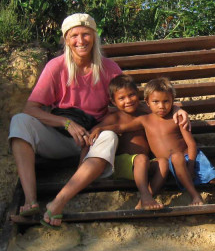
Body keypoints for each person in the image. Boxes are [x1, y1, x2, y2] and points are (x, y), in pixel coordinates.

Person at [8, 14, 189, 229]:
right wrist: (65, 123)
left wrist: (176, 108)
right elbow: (31, 108)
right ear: (67, 39)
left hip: (93, 138)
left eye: (86, 34)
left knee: (110, 136)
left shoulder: (109, 68)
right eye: (74, 35)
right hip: (60, 136)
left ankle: (59, 202)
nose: (81, 40)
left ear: (94, 37)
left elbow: (131, 100)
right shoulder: (55, 67)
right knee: (20, 121)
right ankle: (30, 201)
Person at [91, 77, 215, 206]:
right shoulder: (145, 119)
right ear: (147, 103)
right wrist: (100, 129)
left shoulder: (176, 118)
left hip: (190, 157)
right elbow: (122, 127)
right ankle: (190, 195)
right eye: (156, 102)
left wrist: (191, 164)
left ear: (172, 101)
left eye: (166, 102)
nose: (161, 106)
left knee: (214, 176)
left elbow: (191, 144)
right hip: (171, 162)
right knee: (175, 159)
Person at [88, 74, 168, 210]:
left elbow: (169, 110)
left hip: (145, 163)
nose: (128, 100)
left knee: (164, 163)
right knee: (141, 159)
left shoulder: (146, 112)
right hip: (123, 164)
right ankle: (146, 196)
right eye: (121, 98)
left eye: (131, 95)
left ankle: (146, 197)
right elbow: (94, 133)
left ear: (138, 94)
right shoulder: (115, 118)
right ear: (113, 102)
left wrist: (179, 111)